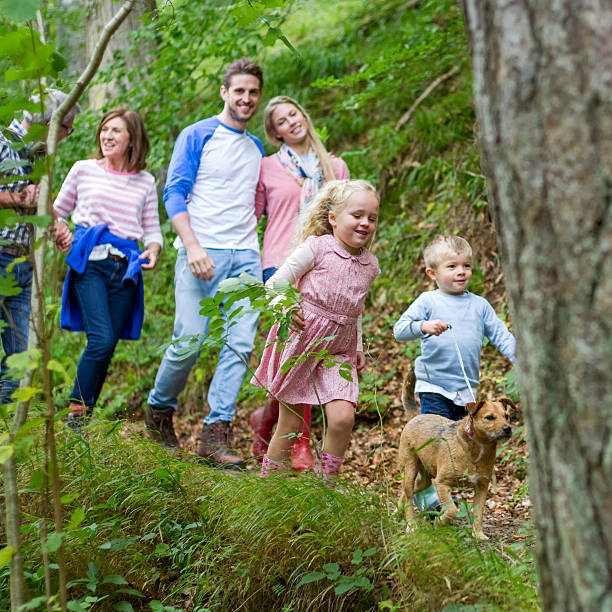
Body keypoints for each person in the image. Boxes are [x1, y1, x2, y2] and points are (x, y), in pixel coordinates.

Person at [145, 58, 264, 469]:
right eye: (239, 91)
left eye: (253, 92)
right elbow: (173, 194)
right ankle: (159, 410)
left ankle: (216, 433)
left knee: (240, 343)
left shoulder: (256, 147)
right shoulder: (197, 135)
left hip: (246, 254)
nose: (246, 99)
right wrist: (192, 245)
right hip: (201, 251)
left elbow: (256, 204)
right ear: (224, 93)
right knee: (190, 341)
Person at [252, 179, 380, 487]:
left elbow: (356, 309)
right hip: (303, 340)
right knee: (292, 424)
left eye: (372, 218)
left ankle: (325, 489)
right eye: (357, 215)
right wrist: (285, 307)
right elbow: (276, 283)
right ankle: (270, 491)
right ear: (333, 218)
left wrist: (359, 345)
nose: (365, 223)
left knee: (342, 418)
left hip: (339, 349)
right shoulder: (317, 248)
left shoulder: (370, 265)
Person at [250, 96, 350, 471]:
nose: (291, 121)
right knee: (296, 348)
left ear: (304, 116)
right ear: (274, 132)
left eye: (294, 113)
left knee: (309, 351)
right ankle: (301, 441)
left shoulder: (335, 166)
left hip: (327, 266)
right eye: (281, 120)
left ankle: (265, 420)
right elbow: (251, 215)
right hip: (281, 262)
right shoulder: (266, 167)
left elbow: (351, 217)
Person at [53, 109, 162, 429]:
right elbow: (57, 210)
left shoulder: (145, 181)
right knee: (100, 340)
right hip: (91, 262)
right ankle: (75, 422)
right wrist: (61, 231)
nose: (108, 136)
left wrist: (153, 251)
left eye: (116, 131)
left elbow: (152, 231)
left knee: (108, 345)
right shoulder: (83, 170)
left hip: (126, 270)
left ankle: (81, 423)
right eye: (105, 130)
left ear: (133, 139)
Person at [393, 234, 516, 509]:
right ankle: (431, 507)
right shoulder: (428, 301)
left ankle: (447, 496)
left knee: (462, 448)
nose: (461, 272)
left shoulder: (480, 305)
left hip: (466, 395)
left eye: (466, 266)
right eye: (452, 266)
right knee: (431, 446)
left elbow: (502, 336)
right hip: (433, 386)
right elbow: (400, 329)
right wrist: (423, 327)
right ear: (432, 273)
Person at [0, 89, 80, 405]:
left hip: (24, 265)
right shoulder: (2, 143)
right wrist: (15, 198)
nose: (67, 135)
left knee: (23, 361)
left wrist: (58, 225)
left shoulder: (37, 155)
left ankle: (7, 438)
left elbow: (41, 200)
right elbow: (23, 197)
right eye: (66, 128)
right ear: (50, 121)